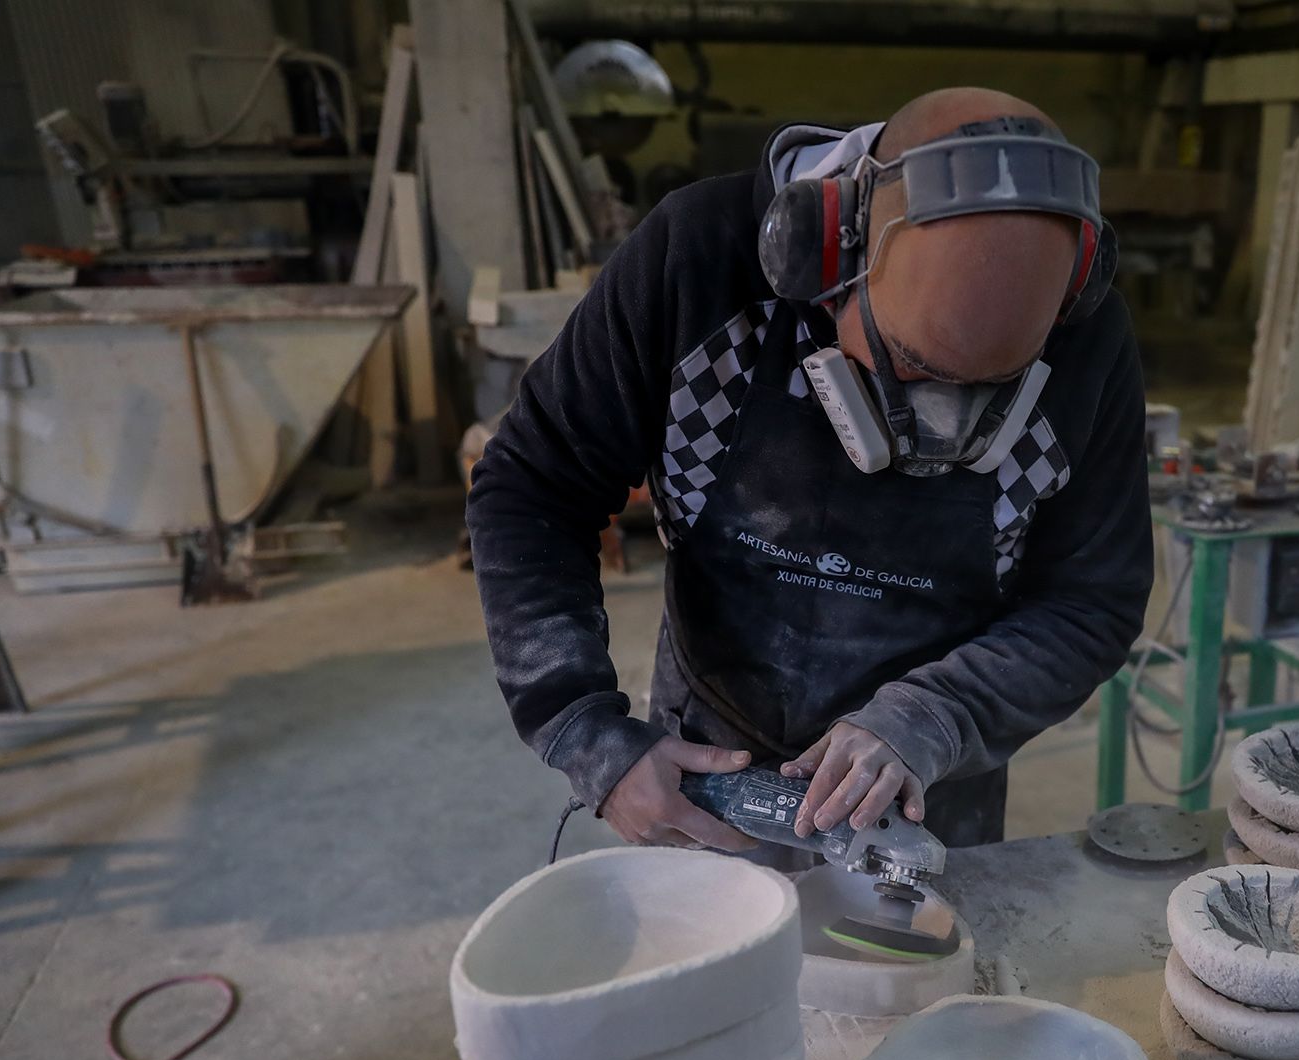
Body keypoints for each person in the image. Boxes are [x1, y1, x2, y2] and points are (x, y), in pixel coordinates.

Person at [468, 87, 1153, 855]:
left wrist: (936, 716)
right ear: (825, 252)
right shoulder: (699, 262)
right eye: (918, 372)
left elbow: (1093, 597)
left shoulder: (1086, 344)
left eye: (983, 390)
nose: (942, 428)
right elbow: (531, 488)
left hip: (924, 778)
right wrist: (585, 730)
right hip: (705, 756)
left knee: (921, 976)